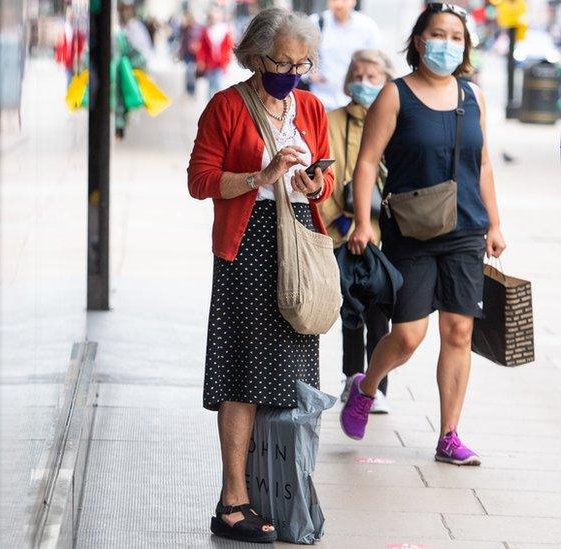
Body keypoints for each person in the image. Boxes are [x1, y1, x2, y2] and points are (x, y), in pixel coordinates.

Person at [187, 8, 332, 542]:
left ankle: (280, 490)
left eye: (302, 63)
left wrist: (316, 184)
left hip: (299, 244)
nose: (292, 72)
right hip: (247, 247)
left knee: (292, 380)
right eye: (282, 61)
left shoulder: (311, 107)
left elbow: (326, 178)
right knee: (243, 374)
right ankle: (233, 500)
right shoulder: (227, 107)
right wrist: (262, 175)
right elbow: (200, 181)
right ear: (255, 56)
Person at [342, 3, 506, 466]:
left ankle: (449, 435)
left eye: (456, 37)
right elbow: (367, 162)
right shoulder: (395, 95)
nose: (447, 44)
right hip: (411, 230)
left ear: (466, 46)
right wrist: (360, 220)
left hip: (466, 228)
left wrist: (495, 222)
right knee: (409, 336)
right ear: (418, 41)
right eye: (438, 34)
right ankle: (366, 386)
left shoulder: (474, 96)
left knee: (458, 331)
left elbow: (484, 162)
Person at [317, 49, 395, 413]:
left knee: (380, 312)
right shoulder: (331, 121)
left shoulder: (396, 122)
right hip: (342, 232)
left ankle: (376, 385)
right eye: (358, 76)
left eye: (373, 78)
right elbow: (323, 179)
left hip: (384, 235)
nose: (364, 84)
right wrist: (341, 222)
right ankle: (352, 378)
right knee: (351, 309)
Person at [308, 0, 381, 111]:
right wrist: (310, 74)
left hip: (354, 100)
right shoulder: (316, 22)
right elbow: (301, 55)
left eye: (344, 0)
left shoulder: (367, 27)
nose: (338, 4)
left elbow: (376, 62)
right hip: (321, 98)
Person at [197, 6, 234, 99]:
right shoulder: (206, 31)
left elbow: (229, 47)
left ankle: (217, 106)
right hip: (209, 63)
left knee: (217, 85)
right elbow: (202, 48)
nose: (213, 19)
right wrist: (200, 61)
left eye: (215, 16)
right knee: (210, 86)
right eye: (211, 17)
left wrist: (227, 61)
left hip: (220, 64)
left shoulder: (225, 30)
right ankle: (211, 107)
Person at [177, 11, 203, 97]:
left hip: (195, 54)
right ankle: (188, 89)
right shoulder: (185, 29)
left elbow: (202, 41)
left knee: (191, 72)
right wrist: (181, 52)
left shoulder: (199, 28)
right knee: (188, 72)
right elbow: (183, 41)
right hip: (187, 54)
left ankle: (192, 90)